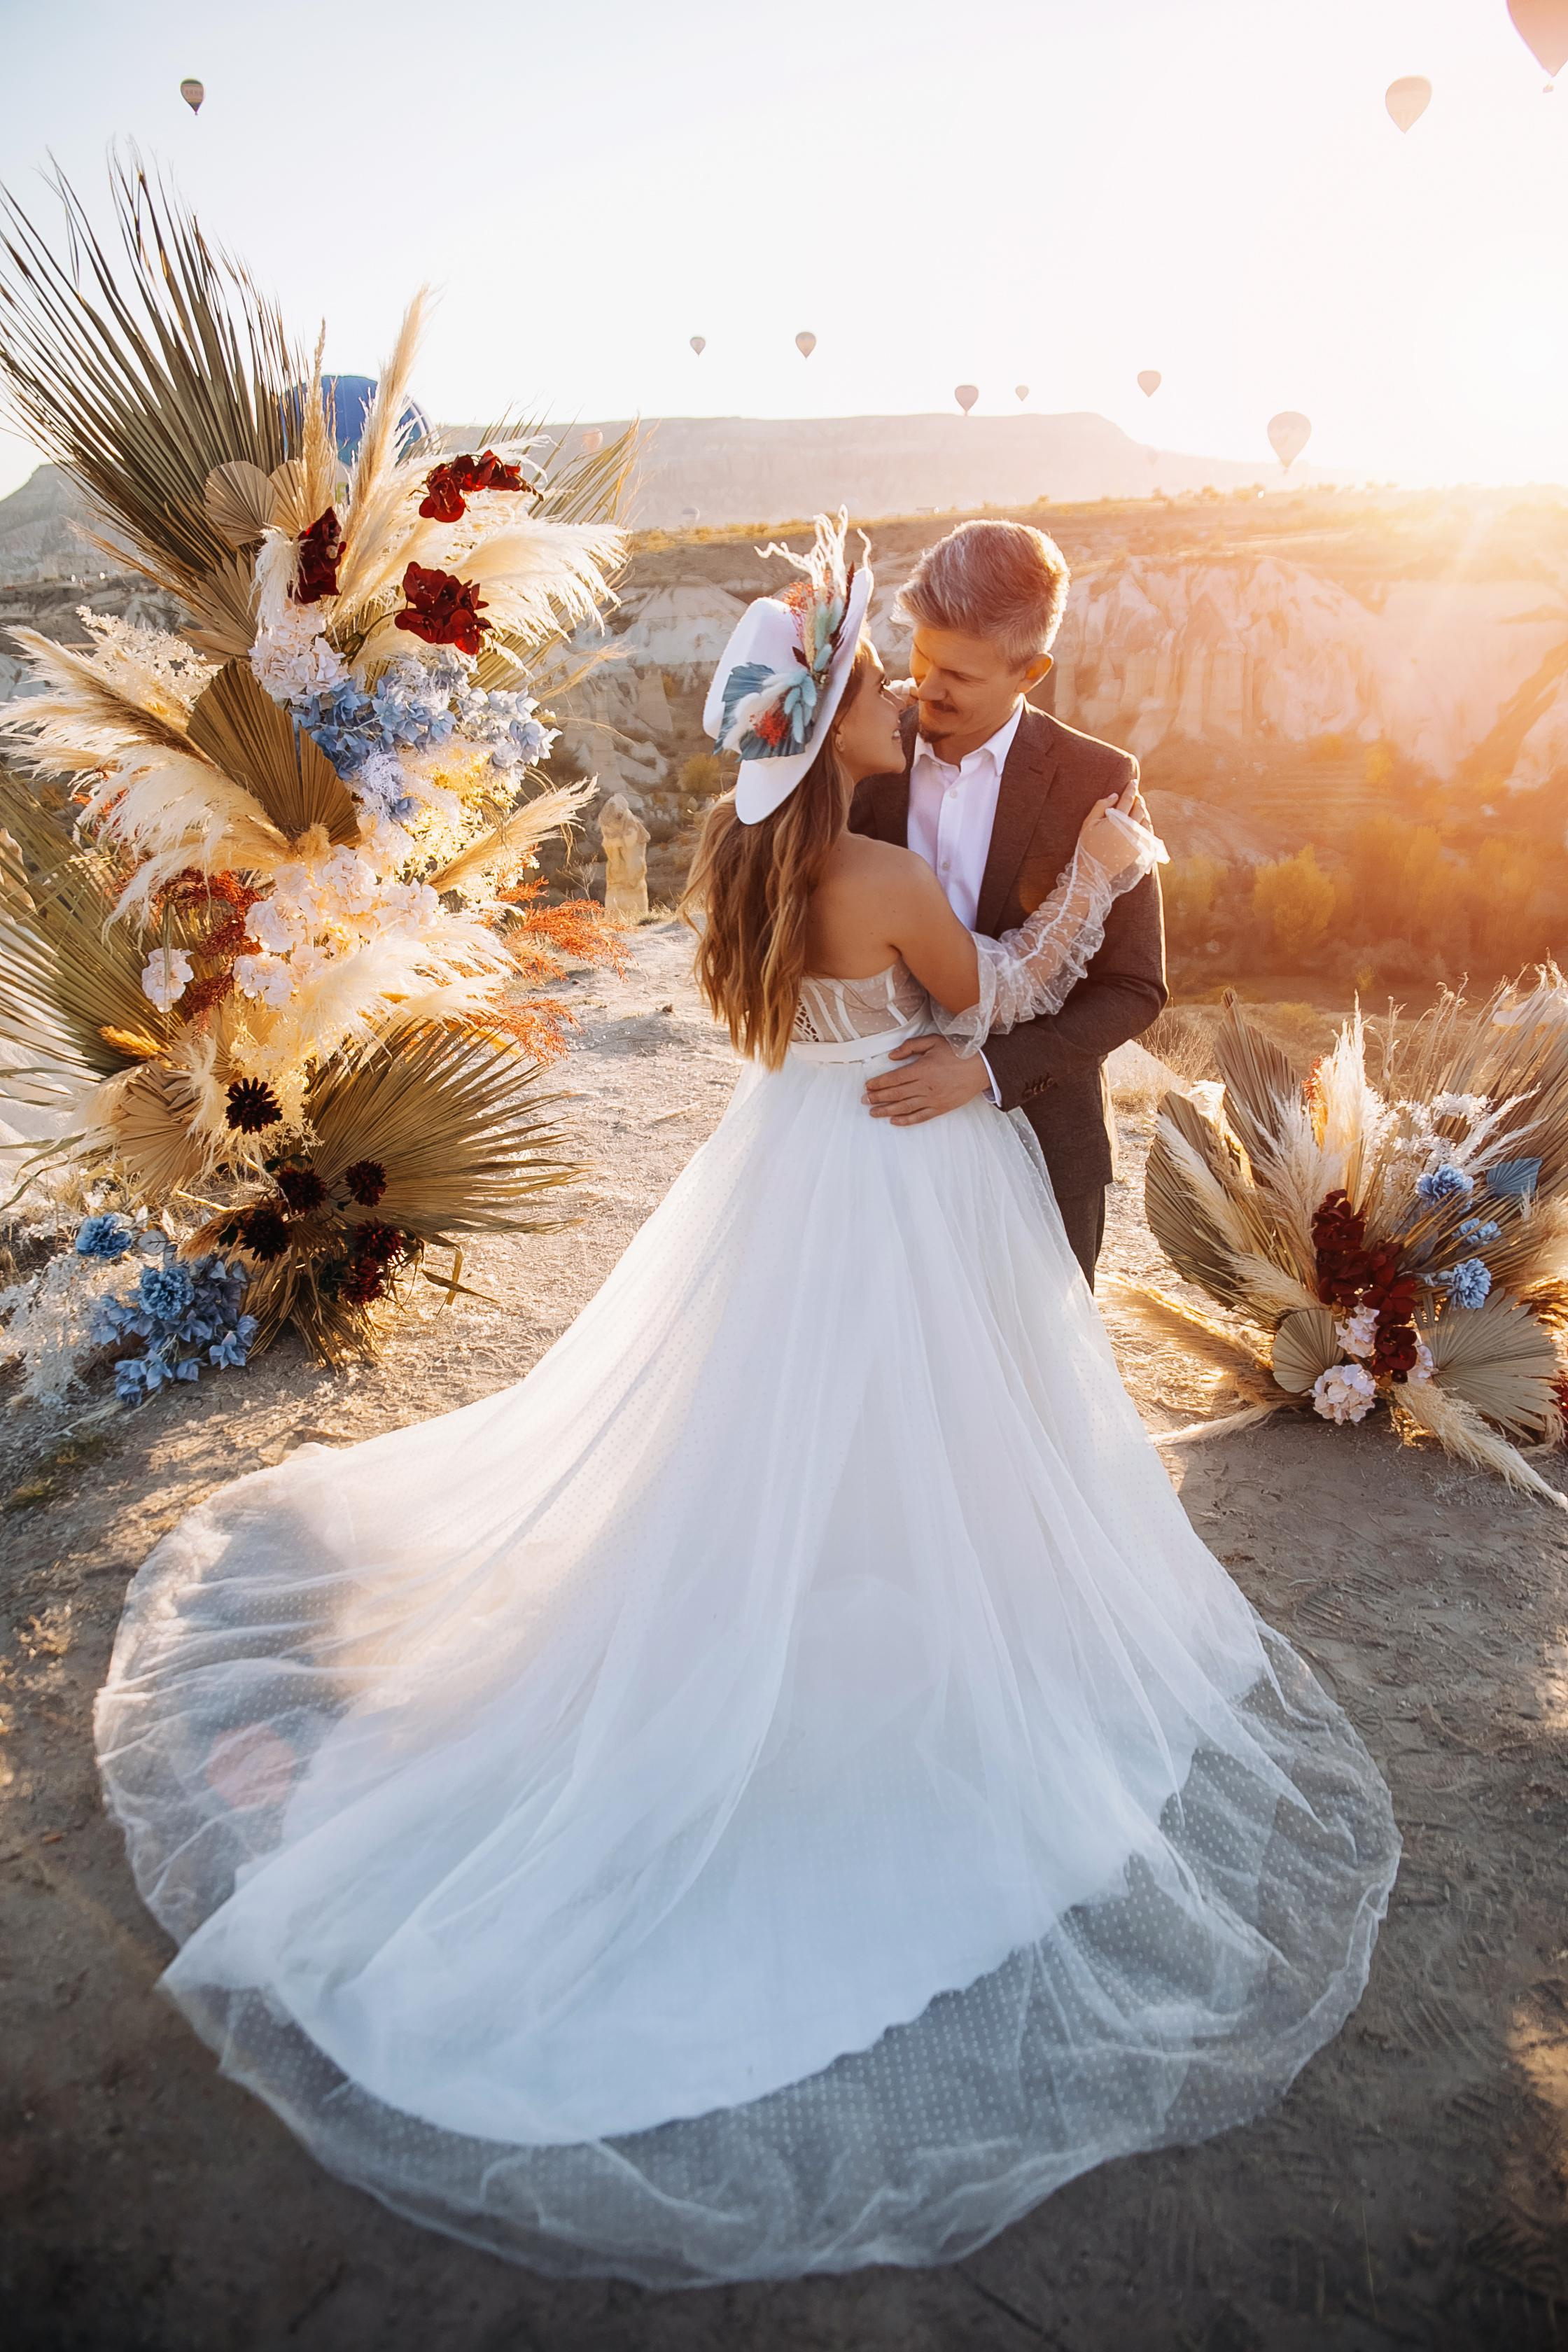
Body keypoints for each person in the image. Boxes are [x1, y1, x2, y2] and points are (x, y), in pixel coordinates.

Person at [95, 514, 1398, 2291]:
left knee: (821, 1417)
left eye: (951, 680)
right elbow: (1000, 982)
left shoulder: (770, 841)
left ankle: (894, 1599)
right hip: (905, 1176)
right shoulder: (881, 857)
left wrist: (1050, 945)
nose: (918, 706)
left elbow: (1102, 1000)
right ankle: (893, 1651)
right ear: (851, 694)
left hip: (828, 1161)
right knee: (903, 1402)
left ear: (1030, 668)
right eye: (894, 678)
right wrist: (1089, 884)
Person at [852, 517, 1166, 1286]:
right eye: (921, 655)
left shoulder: (1099, 780)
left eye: (959, 675)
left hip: (1043, 1145)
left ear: (1031, 672)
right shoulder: (858, 748)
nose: (926, 687)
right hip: (874, 1142)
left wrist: (986, 1070)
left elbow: (1134, 987)